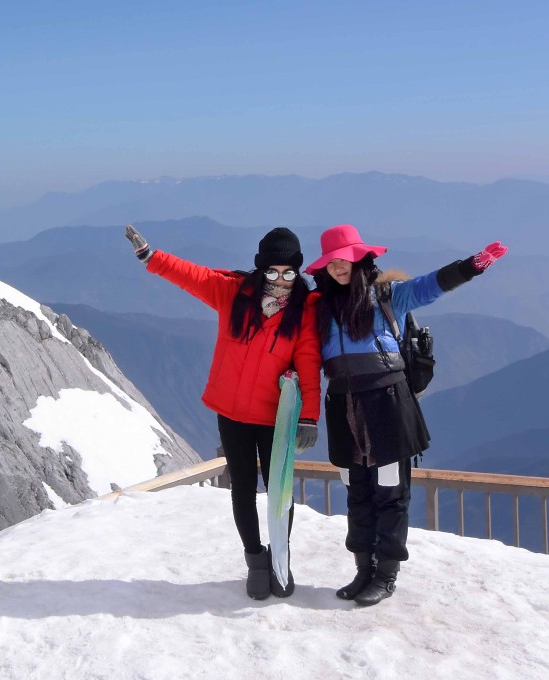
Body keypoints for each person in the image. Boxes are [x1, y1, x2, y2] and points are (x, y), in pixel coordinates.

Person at [306, 224, 508, 606]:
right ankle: (363, 569)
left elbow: (429, 286)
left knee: (390, 493)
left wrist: (473, 266)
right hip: (345, 409)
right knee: (358, 493)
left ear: (361, 258)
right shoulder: (319, 308)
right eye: (331, 262)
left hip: (388, 405)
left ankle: (386, 574)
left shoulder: (386, 297)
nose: (338, 268)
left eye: (345, 259)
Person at [124, 225, 322, 599]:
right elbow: (194, 276)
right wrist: (152, 257)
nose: (280, 279)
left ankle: (281, 558)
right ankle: (255, 561)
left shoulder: (304, 311)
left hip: (273, 418)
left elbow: (310, 365)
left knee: (279, 492)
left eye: (288, 272)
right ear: (261, 268)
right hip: (231, 413)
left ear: (298, 271)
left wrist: (309, 416)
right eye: (272, 271)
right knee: (243, 490)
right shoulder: (235, 293)